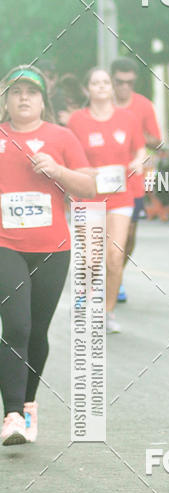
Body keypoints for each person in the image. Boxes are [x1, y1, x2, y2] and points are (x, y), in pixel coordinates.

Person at [0, 66, 96, 445]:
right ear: (6, 99)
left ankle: (27, 406)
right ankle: (11, 415)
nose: (24, 97)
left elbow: (89, 185)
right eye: (16, 91)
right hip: (5, 245)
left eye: (31, 92)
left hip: (53, 249)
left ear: (43, 100)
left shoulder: (61, 137)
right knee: (17, 327)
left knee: (37, 332)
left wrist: (57, 170)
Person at [68, 68, 145, 333]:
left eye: (105, 82)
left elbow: (140, 150)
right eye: (95, 82)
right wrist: (81, 172)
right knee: (91, 259)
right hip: (87, 196)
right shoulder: (77, 121)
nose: (101, 86)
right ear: (87, 89)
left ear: (112, 88)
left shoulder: (128, 118)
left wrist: (138, 161)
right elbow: (69, 157)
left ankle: (107, 312)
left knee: (114, 257)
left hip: (120, 196)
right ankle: (86, 303)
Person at [110, 57, 162, 302]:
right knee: (102, 234)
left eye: (129, 83)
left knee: (129, 235)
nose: (124, 88)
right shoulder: (100, 104)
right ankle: (105, 276)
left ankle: (116, 275)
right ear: (112, 80)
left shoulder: (143, 105)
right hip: (102, 181)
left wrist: (137, 135)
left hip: (133, 181)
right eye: (119, 82)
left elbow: (157, 141)